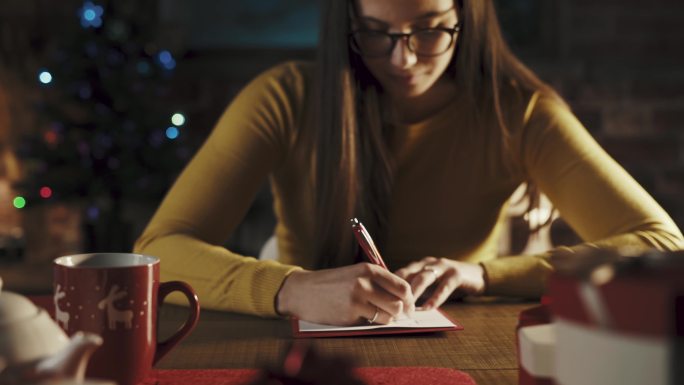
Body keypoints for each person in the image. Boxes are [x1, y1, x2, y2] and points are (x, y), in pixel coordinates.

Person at [134, 0, 683, 326]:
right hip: (301, 349)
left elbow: (662, 243)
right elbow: (157, 247)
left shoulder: (520, 112)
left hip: (458, 342)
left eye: (430, 29)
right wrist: (292, 288)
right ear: (345, 22)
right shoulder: (285, 97)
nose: (404, 59)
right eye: (374, 33)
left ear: (468, 17)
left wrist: (483, 274)